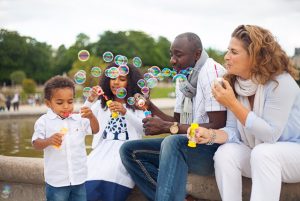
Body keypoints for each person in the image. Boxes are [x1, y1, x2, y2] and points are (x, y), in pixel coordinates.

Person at [193, 25, 300, 201]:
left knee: (263, 153)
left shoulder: (281, 83)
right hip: (262, 155)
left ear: (255, 57)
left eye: (234, 52)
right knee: (225, 153)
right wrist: (210, 135)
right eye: (228, 51)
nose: (227, 57)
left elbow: (270, 134)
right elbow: (233, 130)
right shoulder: (236, 84)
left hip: (294, 153)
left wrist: (233, 104)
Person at [120, 32, 227, 201]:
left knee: (173, 142)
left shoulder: (211, 73)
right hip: (188, 144)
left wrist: (165, 127)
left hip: (213, 149)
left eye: (178, 55)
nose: (172, 60)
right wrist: (150, 106)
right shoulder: (182, 78)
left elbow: (219, 124)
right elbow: (177, 123)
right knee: (129, 150)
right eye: (171, 54)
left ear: (197, 54)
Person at [32, 75, 99, 201]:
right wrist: (49, 140)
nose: (66, 106)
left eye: (70, 101)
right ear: (48, 103)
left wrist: (92, 117)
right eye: (59, 102)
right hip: (57, 182)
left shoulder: (78, 119)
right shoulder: (44, 122)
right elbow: (36, 143)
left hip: (78, 179)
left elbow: (95, 130)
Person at [85, 64, 145, 201]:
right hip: (101, 150)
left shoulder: (137, 106)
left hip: (125, 150)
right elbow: (81, 124)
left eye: (122, 79)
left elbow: (145, 129)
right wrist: (88, 102)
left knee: (112, 170)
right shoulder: (101, 105)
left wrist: (125, 112)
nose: (116, 82)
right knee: (89, 170)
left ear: (130, 83)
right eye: (112, 78)